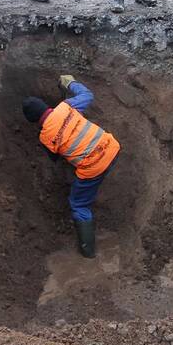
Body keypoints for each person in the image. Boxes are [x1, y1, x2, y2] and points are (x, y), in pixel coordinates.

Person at [22, 76, 120, 258]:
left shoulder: (45, 137)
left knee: (79, 204)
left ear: (34, 121)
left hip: (93, 167)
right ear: (46, 106)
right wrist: (70, 83)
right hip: (112, 147)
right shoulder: (66, 106)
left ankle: (88, 251)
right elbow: (87, 95)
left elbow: (55, 158)